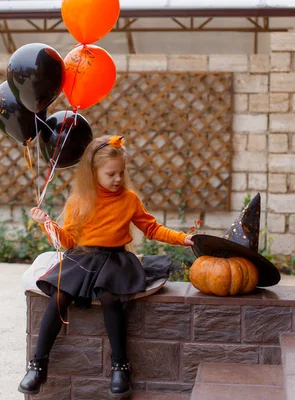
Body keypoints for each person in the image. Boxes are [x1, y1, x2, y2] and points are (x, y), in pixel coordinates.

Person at [18, 135, 194, 397]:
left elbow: (152, 228)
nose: (118, 179)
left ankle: (120, 366)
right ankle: (38, 364)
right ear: (93, 172)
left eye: (121, 173)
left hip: (116, 259)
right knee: (59, 294)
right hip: (83, 257)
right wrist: (48, 224)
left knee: (111, 296)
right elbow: (68, 240)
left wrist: (183, 238)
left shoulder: (129, 199)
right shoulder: (80, 200)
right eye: (111, 173)